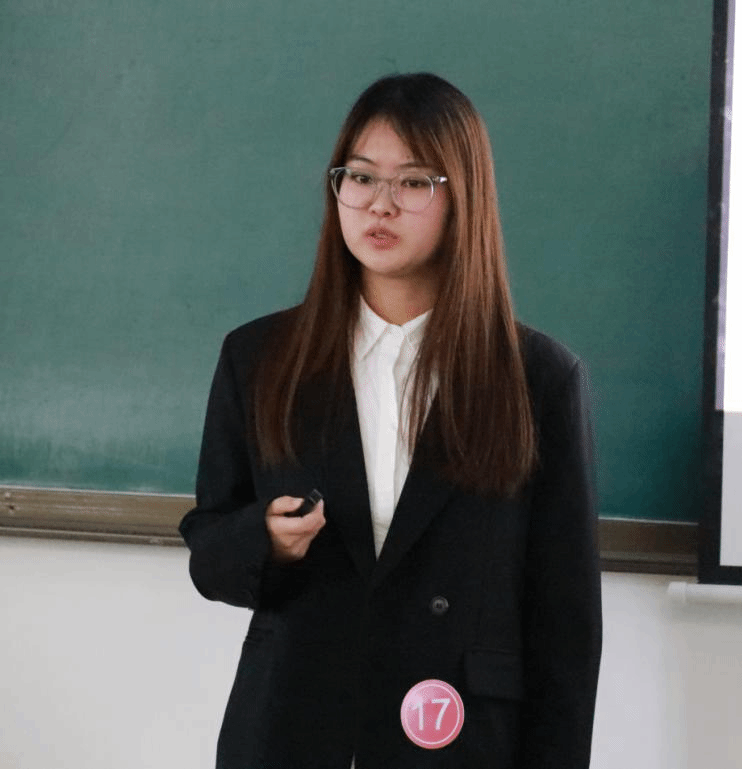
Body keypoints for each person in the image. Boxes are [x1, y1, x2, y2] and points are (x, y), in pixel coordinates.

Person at [179, 72, 602, 769]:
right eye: (361, 177)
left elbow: (566, 628)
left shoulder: (539, 379)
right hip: (294, 730)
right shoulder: (260, 358)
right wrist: (267, 542)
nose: (380, 203)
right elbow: (209, 551)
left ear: (462, 198)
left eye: (413, 182)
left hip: (458, 739)